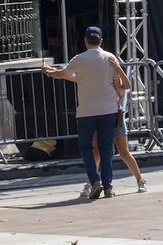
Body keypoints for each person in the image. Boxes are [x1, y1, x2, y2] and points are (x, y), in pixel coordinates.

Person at [42, 27, 119, 199]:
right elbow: (117, 82)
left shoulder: (80, 59)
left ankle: (95, 181)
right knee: (106, 149)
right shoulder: (110, 58)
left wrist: (48, 71)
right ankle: (108, 187)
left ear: (85, 42)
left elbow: (63, 74)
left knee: (86, 148)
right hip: (108, 109)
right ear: (101, 41)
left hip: (86, 111)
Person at [72, 54, 147, 196]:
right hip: (101, 115)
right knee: (96, 153)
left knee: (123, 151)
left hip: (114, 117)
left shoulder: (113, 79)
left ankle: (140, 179)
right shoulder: (96, 80)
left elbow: (126, 87)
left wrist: (118, 68)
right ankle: (90, 183)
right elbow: (74, 77)